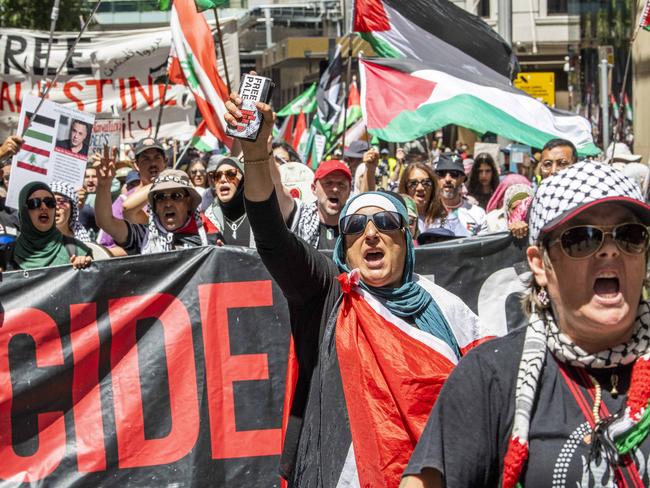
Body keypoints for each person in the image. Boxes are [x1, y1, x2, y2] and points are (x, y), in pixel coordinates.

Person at [225, 90, 497, 488]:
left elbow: (487, 395)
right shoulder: (329, 296)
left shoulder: (446, 309)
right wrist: (255, 156)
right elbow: (271, 237)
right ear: (345, 249)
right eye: (355, 227)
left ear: (405, 239)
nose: (370, 234)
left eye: (385, 223)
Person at [402, 160, 650, 488]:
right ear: (539, 264)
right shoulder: (488, 375)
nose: (609, 251)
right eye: (582, 239)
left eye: (629, 236)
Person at [95, 149, 207, 254]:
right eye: (160, 197)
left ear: (188, 203)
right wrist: (103, 186)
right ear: (155, 207)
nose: (168, 203)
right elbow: (106, 222)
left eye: (176, 196)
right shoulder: (144, 236)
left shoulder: (206, 234)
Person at [202, 153, 295, 246]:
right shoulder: (210, 216)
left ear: (243, 180)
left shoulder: (262, 211)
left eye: (231, 174)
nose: (222, 179)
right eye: (217, 176)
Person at [2, 181, 93, 271]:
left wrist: (84, 266)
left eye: (49, 202)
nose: (44, 207)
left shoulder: (76, 250)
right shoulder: (6, 255)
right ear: (24, 212)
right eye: (35, 203)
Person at [97, 138, 167, 248]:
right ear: (136, 165)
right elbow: (106, 224)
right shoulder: (124, 200)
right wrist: (103, 185)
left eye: (157, 158)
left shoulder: (176, 195)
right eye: (146, 159)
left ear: (165, 162)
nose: (153, 163)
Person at [291, 159, 352, 250]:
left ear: (349, 191)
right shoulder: (300, 221)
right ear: (314, 188)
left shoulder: (355, 228)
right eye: (328, 183)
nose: (335, 189)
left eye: (341, 184)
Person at [434, 153, 487, 236]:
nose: (447, 179)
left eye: (454, 174)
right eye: (442, 173)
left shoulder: (478, 214)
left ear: (462, 178)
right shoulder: (426, 212)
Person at [398, 162, 447, 235]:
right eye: (413, 183)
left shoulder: (445, 218)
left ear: (433, 187)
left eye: (426, 182)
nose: (420, 188)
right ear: (405, 187)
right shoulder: (398, 220)